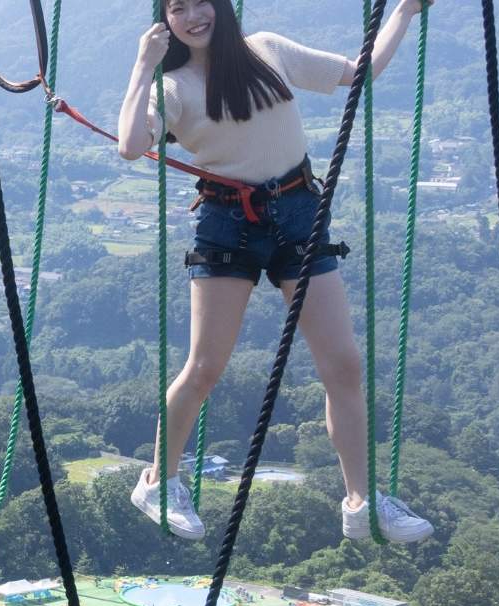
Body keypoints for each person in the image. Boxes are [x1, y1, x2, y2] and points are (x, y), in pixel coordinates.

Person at [114, 0, 434, 543]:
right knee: (205, 368)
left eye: (199, 3)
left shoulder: (268, 51)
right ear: (165, 21)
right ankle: (156, 481)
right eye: (176, 9)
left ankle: (361, 503)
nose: (192, 17)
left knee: (344, 364)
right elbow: (130, 146)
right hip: (227, 223)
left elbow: (361, 75)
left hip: (298, 210)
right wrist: (144, 65)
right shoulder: (175, 88)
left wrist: (403, 10)